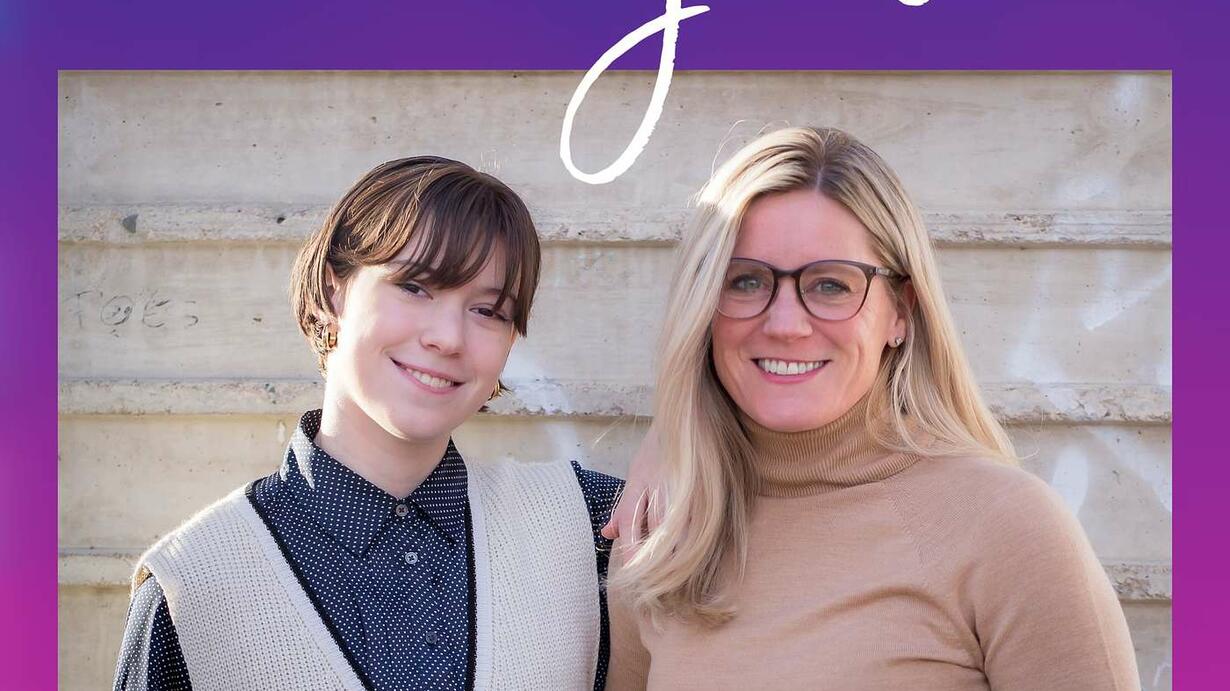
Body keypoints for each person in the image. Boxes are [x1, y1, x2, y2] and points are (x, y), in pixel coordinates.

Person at [603, 127, 1140, 689]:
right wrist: (673, 437)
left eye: (831, 286)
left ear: (901, 311)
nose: (785, 324)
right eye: (745, 281)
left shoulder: (1007, 527)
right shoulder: (663, 528)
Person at [113, 157, 623, 691]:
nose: (448, 338)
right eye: (415, 287)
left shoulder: (591, 526)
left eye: (489, 312)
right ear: (333, 291)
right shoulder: (190, 585)